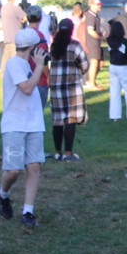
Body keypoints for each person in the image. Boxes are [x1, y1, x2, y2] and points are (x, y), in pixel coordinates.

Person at [0, 27, 47, 227]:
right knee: (14, 170)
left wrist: (40, 66)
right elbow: (26, 88)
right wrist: (39, 66)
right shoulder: (14, 64)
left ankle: (28, 212)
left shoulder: (28, 65)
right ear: (33, 47)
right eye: (40, 47)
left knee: (34, 167)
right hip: (14, 124)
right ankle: (3, 193)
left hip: (34, 123)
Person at [48, 19, 89, 161]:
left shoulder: (54, 46)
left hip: (56, 87)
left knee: (58, 120)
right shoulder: (75, 46)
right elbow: (84, 66)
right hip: (72, 87)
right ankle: (68, 153)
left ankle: (57, 152)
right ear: (72, 30)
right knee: (70, 119)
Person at [106, 21, 127, 122]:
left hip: (113, 67)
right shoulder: (124, 42)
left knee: (114, 91)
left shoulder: (109, 41)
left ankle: (115, 115)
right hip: (124, 67)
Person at [25, 6, 50, 108]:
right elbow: (42, 59)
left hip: (24, 78)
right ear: (40, 18)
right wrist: (48, 76)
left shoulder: (22, 34)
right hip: (39, 79)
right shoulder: (39, 36)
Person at [84, 0, 104, 88]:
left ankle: (91, 80)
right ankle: (91, 84)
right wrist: (100, 37)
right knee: (94, 63)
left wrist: (101, 34)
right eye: (97, 4)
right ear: (91, 5)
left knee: (101, 62)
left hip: (96, 43)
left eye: (100, 4)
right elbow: (90, 31)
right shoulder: (91, 16)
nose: (99, 6)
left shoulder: (96, 16)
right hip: (92, 43)